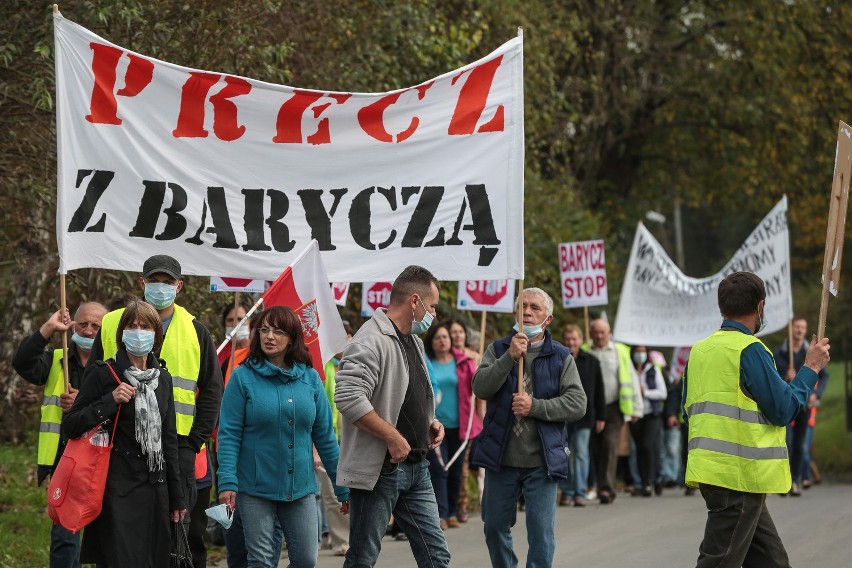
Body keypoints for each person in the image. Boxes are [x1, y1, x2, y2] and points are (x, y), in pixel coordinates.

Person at [683, 271, 830, 567]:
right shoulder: (749, 350)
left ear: (722, 306)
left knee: (772, 562)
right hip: (738, 476)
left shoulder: (700, 350)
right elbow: (783, 409)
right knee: (719, 561)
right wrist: (810, 369)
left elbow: (685, 410)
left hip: (717, 474)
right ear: (760, 306)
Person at [89, 254, 224, 543]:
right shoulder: (112, 323)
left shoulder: (196, 331)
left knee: (177, 537)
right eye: (154, 281)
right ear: (142, 282)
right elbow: (92, 380)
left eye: (167, 282)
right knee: (122, 540)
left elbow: (212, 390)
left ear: (180, 286)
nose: (160, 287)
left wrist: (193, 443)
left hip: (177, 449)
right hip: (119, 448)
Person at [334, 265, 451, 568]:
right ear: (415, 301)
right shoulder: (369, 340)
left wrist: (430, 423)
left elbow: (409, 393)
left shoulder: (414, 340)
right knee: (363, 557)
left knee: (437, 555)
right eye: (432, 306)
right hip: (380, 470)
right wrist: (392, 436)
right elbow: (348, 396)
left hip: (416, 466)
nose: (433, 315)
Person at [217, 306, 349, 568]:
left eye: (278, 331)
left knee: (306, 560)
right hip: (254, 488)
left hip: (300, 488)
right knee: (261, 561)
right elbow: (228, 434)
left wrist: (341, 486)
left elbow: (325, 438)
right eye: (264, 330)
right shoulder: (242, 378)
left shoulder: (310, 379)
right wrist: (227, 482)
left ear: (292, 338)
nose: (269, 336)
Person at [63, 300, 186, 567]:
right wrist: (110, 400)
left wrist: (177, 497)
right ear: (121, 334)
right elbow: (71, 424)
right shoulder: (103, 372)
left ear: (156, 334)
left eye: (145, 326)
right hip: (116, 487)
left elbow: (169, 441)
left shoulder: (162, 378)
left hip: (156, 488)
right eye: (132, 326)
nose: (138, 332)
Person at [471, 288, 586, 568]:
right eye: (522, 306)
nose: (527, 312)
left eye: (535, 307)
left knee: (540, 534)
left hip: (542, 460)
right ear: (514, 313)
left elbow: (577, 404)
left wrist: (535, 406)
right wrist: (509, 357)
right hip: (502, 458)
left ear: (547, 319)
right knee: (494, 526)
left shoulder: (561, 356)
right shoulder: (498, 349)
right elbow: (480, 387)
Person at [12, 301, 107, 568]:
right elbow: (22, 363)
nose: (89, 331)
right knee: (65, 536)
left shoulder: (113, 361)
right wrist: (48, 329)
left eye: (96, 326)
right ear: (74, 324)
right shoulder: (57, 359)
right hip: (65, 461)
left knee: (108, 536)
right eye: (83, 324)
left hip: (104, 461)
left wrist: (84, 403)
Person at [424, 321, 482, 529]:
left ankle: (453, 511)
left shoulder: (464, 362)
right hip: (435, 427)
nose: (442, 341)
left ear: (451, 340)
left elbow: (478, 389)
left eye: (445, 337)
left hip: (461, 425)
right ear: (432, 341)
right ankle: (441, 514)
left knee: (457, 469)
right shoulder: (426, 362)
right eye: (437, 337)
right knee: (439, 469)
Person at [773, 316, 829, 496]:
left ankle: (795, 480)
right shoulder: (780, 353)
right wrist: (785, 378)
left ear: (805, 330)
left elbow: (822, 374)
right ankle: (784, 481)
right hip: (786, 402)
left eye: (802, 327)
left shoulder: (810, 351)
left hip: (804, 405)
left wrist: (816, 395)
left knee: (799, 444)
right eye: (796, 327)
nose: (799, 330)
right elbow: (772, 379)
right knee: (785, 443)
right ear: (792, 329)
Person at [318, 320, 354, 557]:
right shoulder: (322, 366)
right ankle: (340, 539)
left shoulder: (356, 364)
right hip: (326, 436)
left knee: (350, 488)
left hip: (352, 437)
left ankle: (355, 536)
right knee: (331, 491)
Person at [559, 324, 605, 507]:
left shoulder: (592, 362)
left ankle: (580, 491)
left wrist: (601, 416)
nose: (571, 342)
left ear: (581, 341)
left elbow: (599, 391)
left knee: (581, 453)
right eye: (568, 339)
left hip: (585, 416)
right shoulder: (558, 359)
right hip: (562, 415)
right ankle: (567, 491)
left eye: (574, 339)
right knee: (565, 453)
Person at [445, 318, 484, 523]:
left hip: (469, 420)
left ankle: (461, 504)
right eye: (454, 332)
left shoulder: (474, 358)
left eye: (461, 332)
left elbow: (479, 391)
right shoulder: (443, 358)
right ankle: (450, 505)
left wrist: (481, 416)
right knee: (450, 465)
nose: (457, 336)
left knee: (463, 465)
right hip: (448, 420)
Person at [628, 345, 666, 497]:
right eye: (637, 352)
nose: (640, 355)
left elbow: (662, 393)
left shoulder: (653, 370)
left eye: (643, 352)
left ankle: (653, 479)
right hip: (635, 415)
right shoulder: (629, 369)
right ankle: (643, 482)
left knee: (648, 446)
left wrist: (646, 392)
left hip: (652, 415)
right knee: (639, 448)